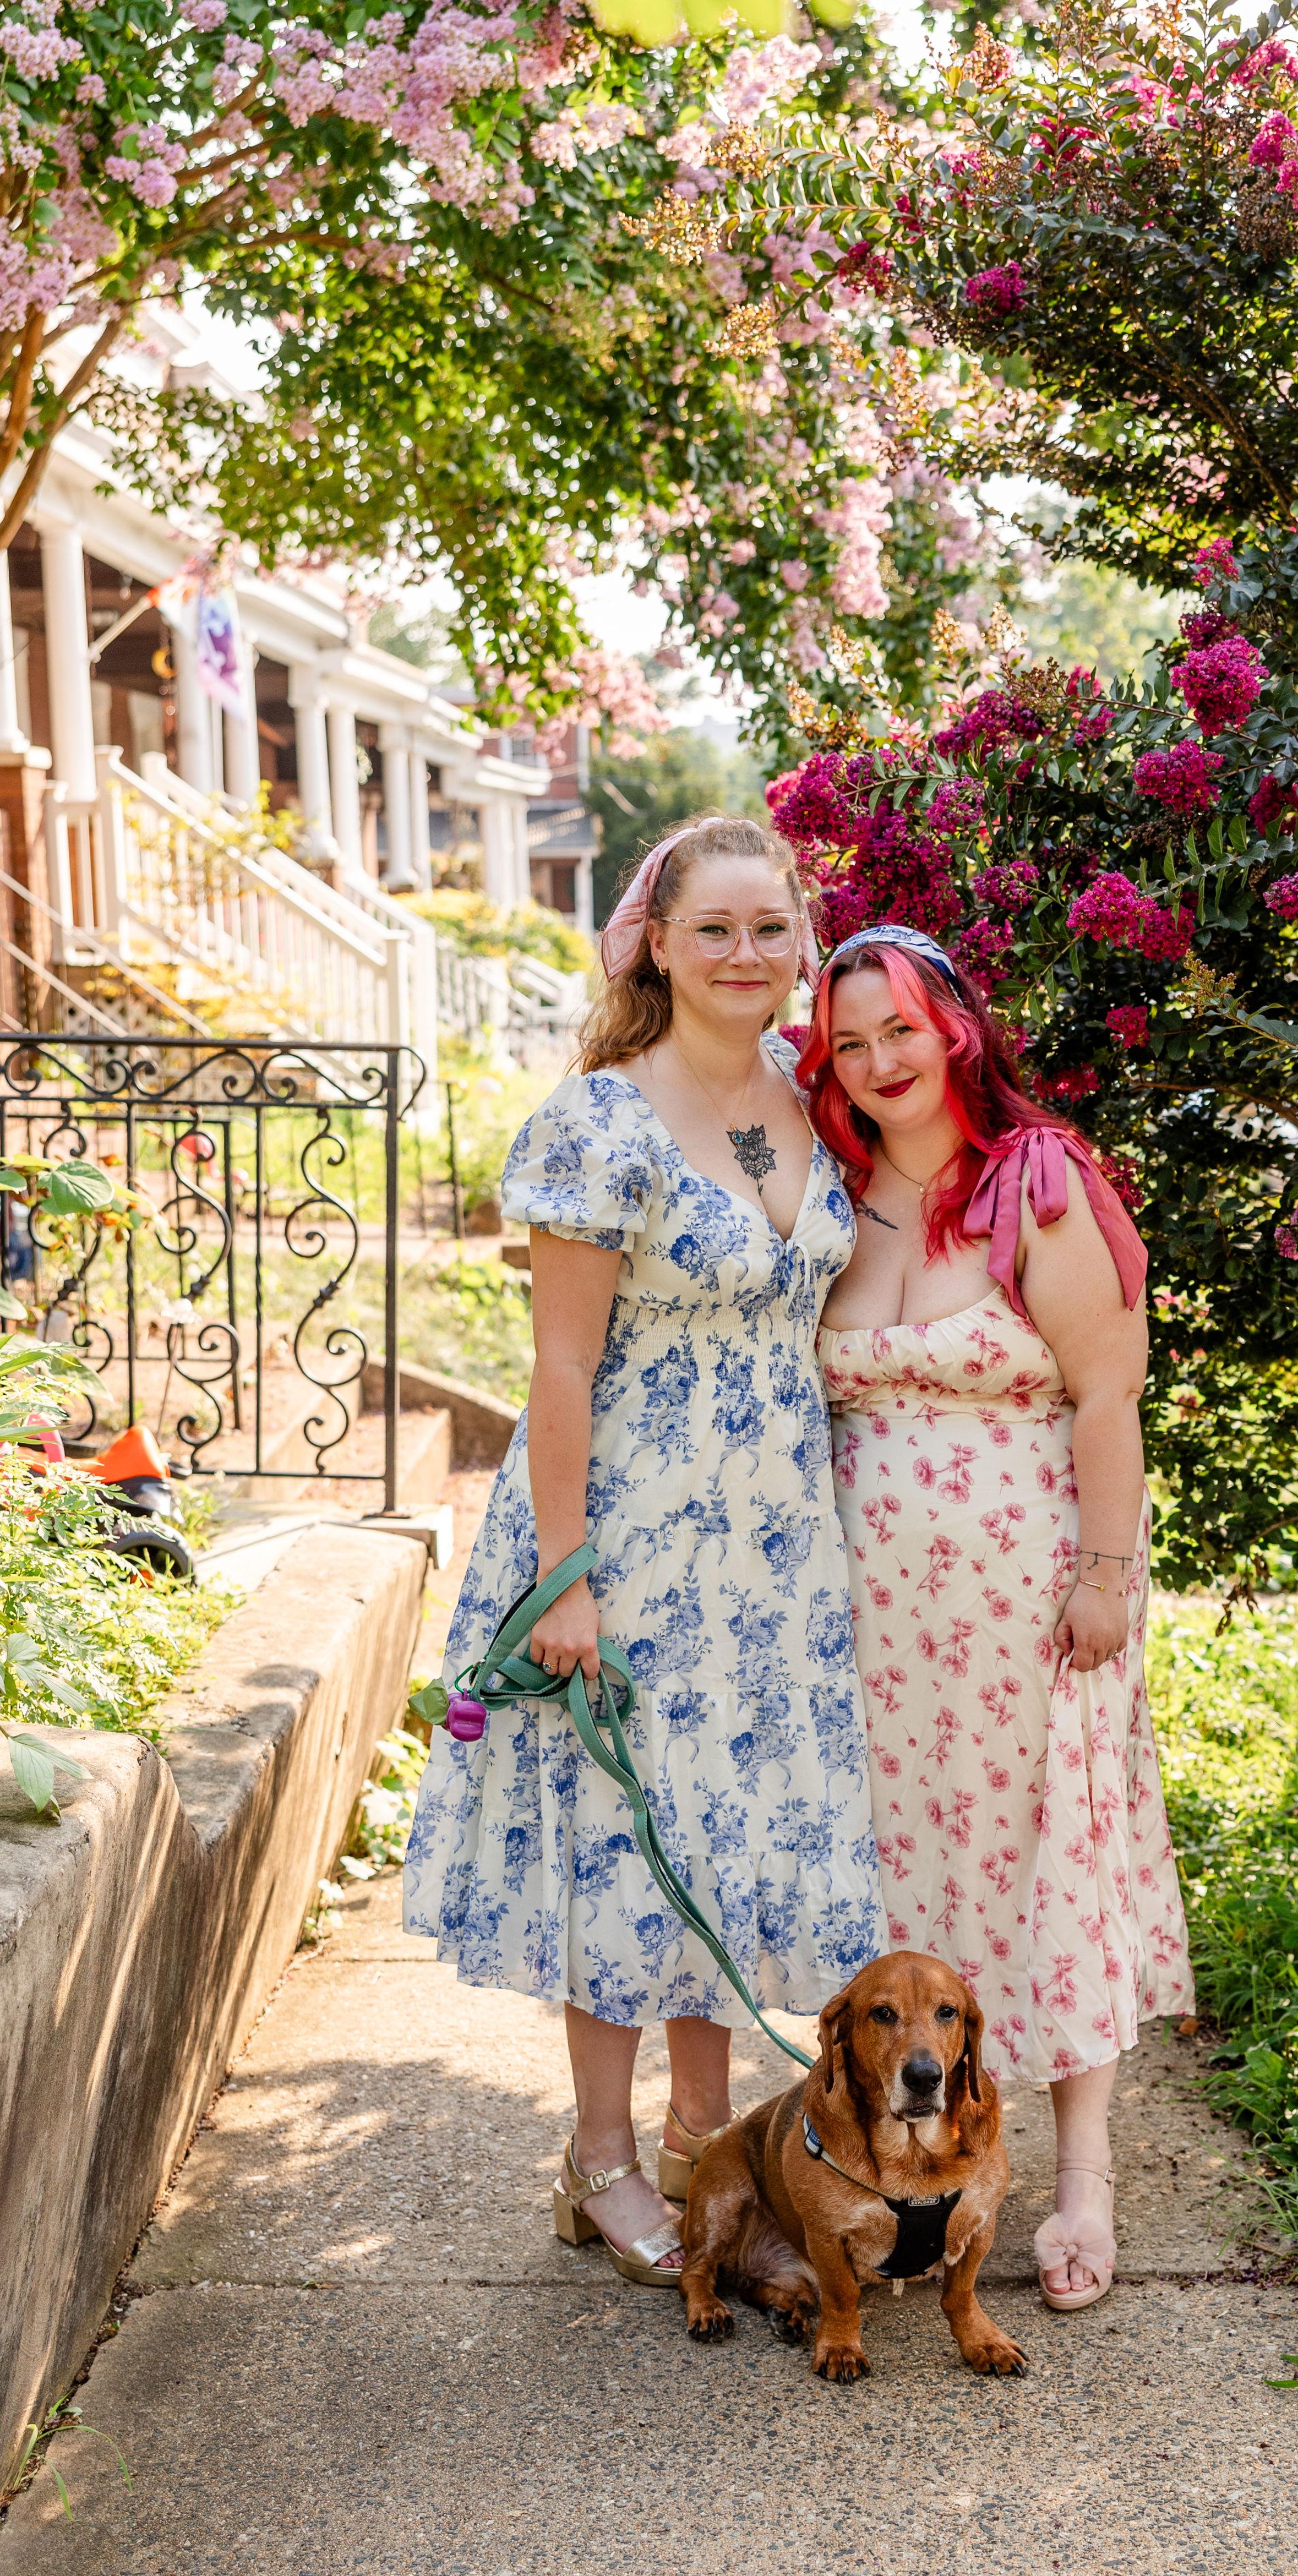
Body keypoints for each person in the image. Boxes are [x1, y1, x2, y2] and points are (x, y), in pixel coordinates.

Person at [401, 818, 886, 2286]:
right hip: (633, 1540)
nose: (746, 954)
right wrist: (565, 1575)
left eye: (770, 928)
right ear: (655, 945)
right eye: (714, 928)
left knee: (732, 1839)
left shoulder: (819, 1104)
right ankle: (598, 2156)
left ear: (801, 944)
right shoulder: (598, 1121)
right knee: (625, 1842)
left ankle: (703, 2141)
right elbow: (556, 1368)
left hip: (777, 1558)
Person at [801, 924, 1193, 2313]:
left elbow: (1104, 1387)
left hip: (1027, 1602)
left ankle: (1080, 2170)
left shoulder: (1031, 1182)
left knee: (1049, 1860)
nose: (877, 1062)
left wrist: (1106, 1571)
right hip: (875, 1624)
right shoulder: (827, 1192)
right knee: (909, 1886)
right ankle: (905, 2177)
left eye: (897, 1028)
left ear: (953, 1025)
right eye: (847, 1042)